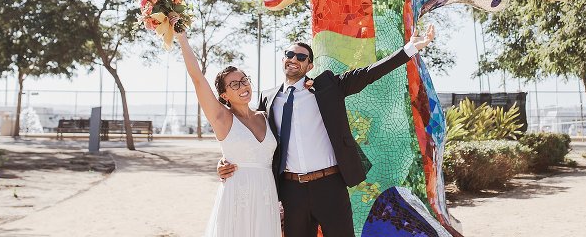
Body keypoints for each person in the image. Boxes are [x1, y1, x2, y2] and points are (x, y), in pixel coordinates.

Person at [218, 25, 435, 237]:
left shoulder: (327, 87)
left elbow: (369, 73)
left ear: (309, 65)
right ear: (283, 58)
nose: (294, 59)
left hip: (330, 186)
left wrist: (410, 49)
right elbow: (252, 133)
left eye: (301, 57)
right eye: (290, 54)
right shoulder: (269, 98)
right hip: (291, 191)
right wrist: (225, 160)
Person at [176, 32, 282, 237]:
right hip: (236, 196)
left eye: (244, 80)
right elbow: (197, 78)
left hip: (267, 196)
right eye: (234, 84)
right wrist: (182, 38)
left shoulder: (267, 116)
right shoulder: (221, 118)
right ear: (224, 95)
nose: (243, 86)